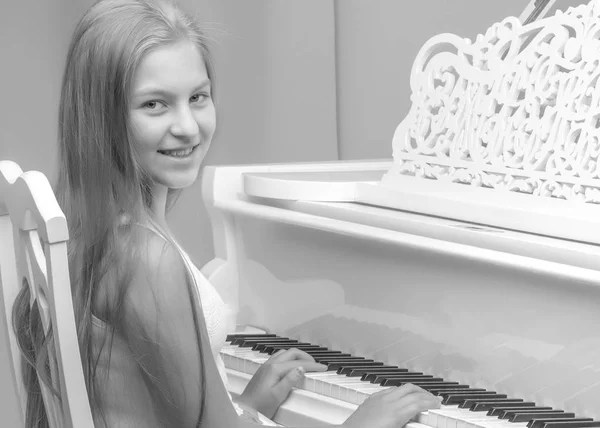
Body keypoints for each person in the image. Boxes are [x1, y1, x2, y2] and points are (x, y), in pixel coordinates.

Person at [12, 0, 442, 426]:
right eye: (154, 104)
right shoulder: (144, 257)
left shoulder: (90, 228)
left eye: (197, 97)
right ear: (102, 118)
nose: (188, 127)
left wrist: (246, 407)